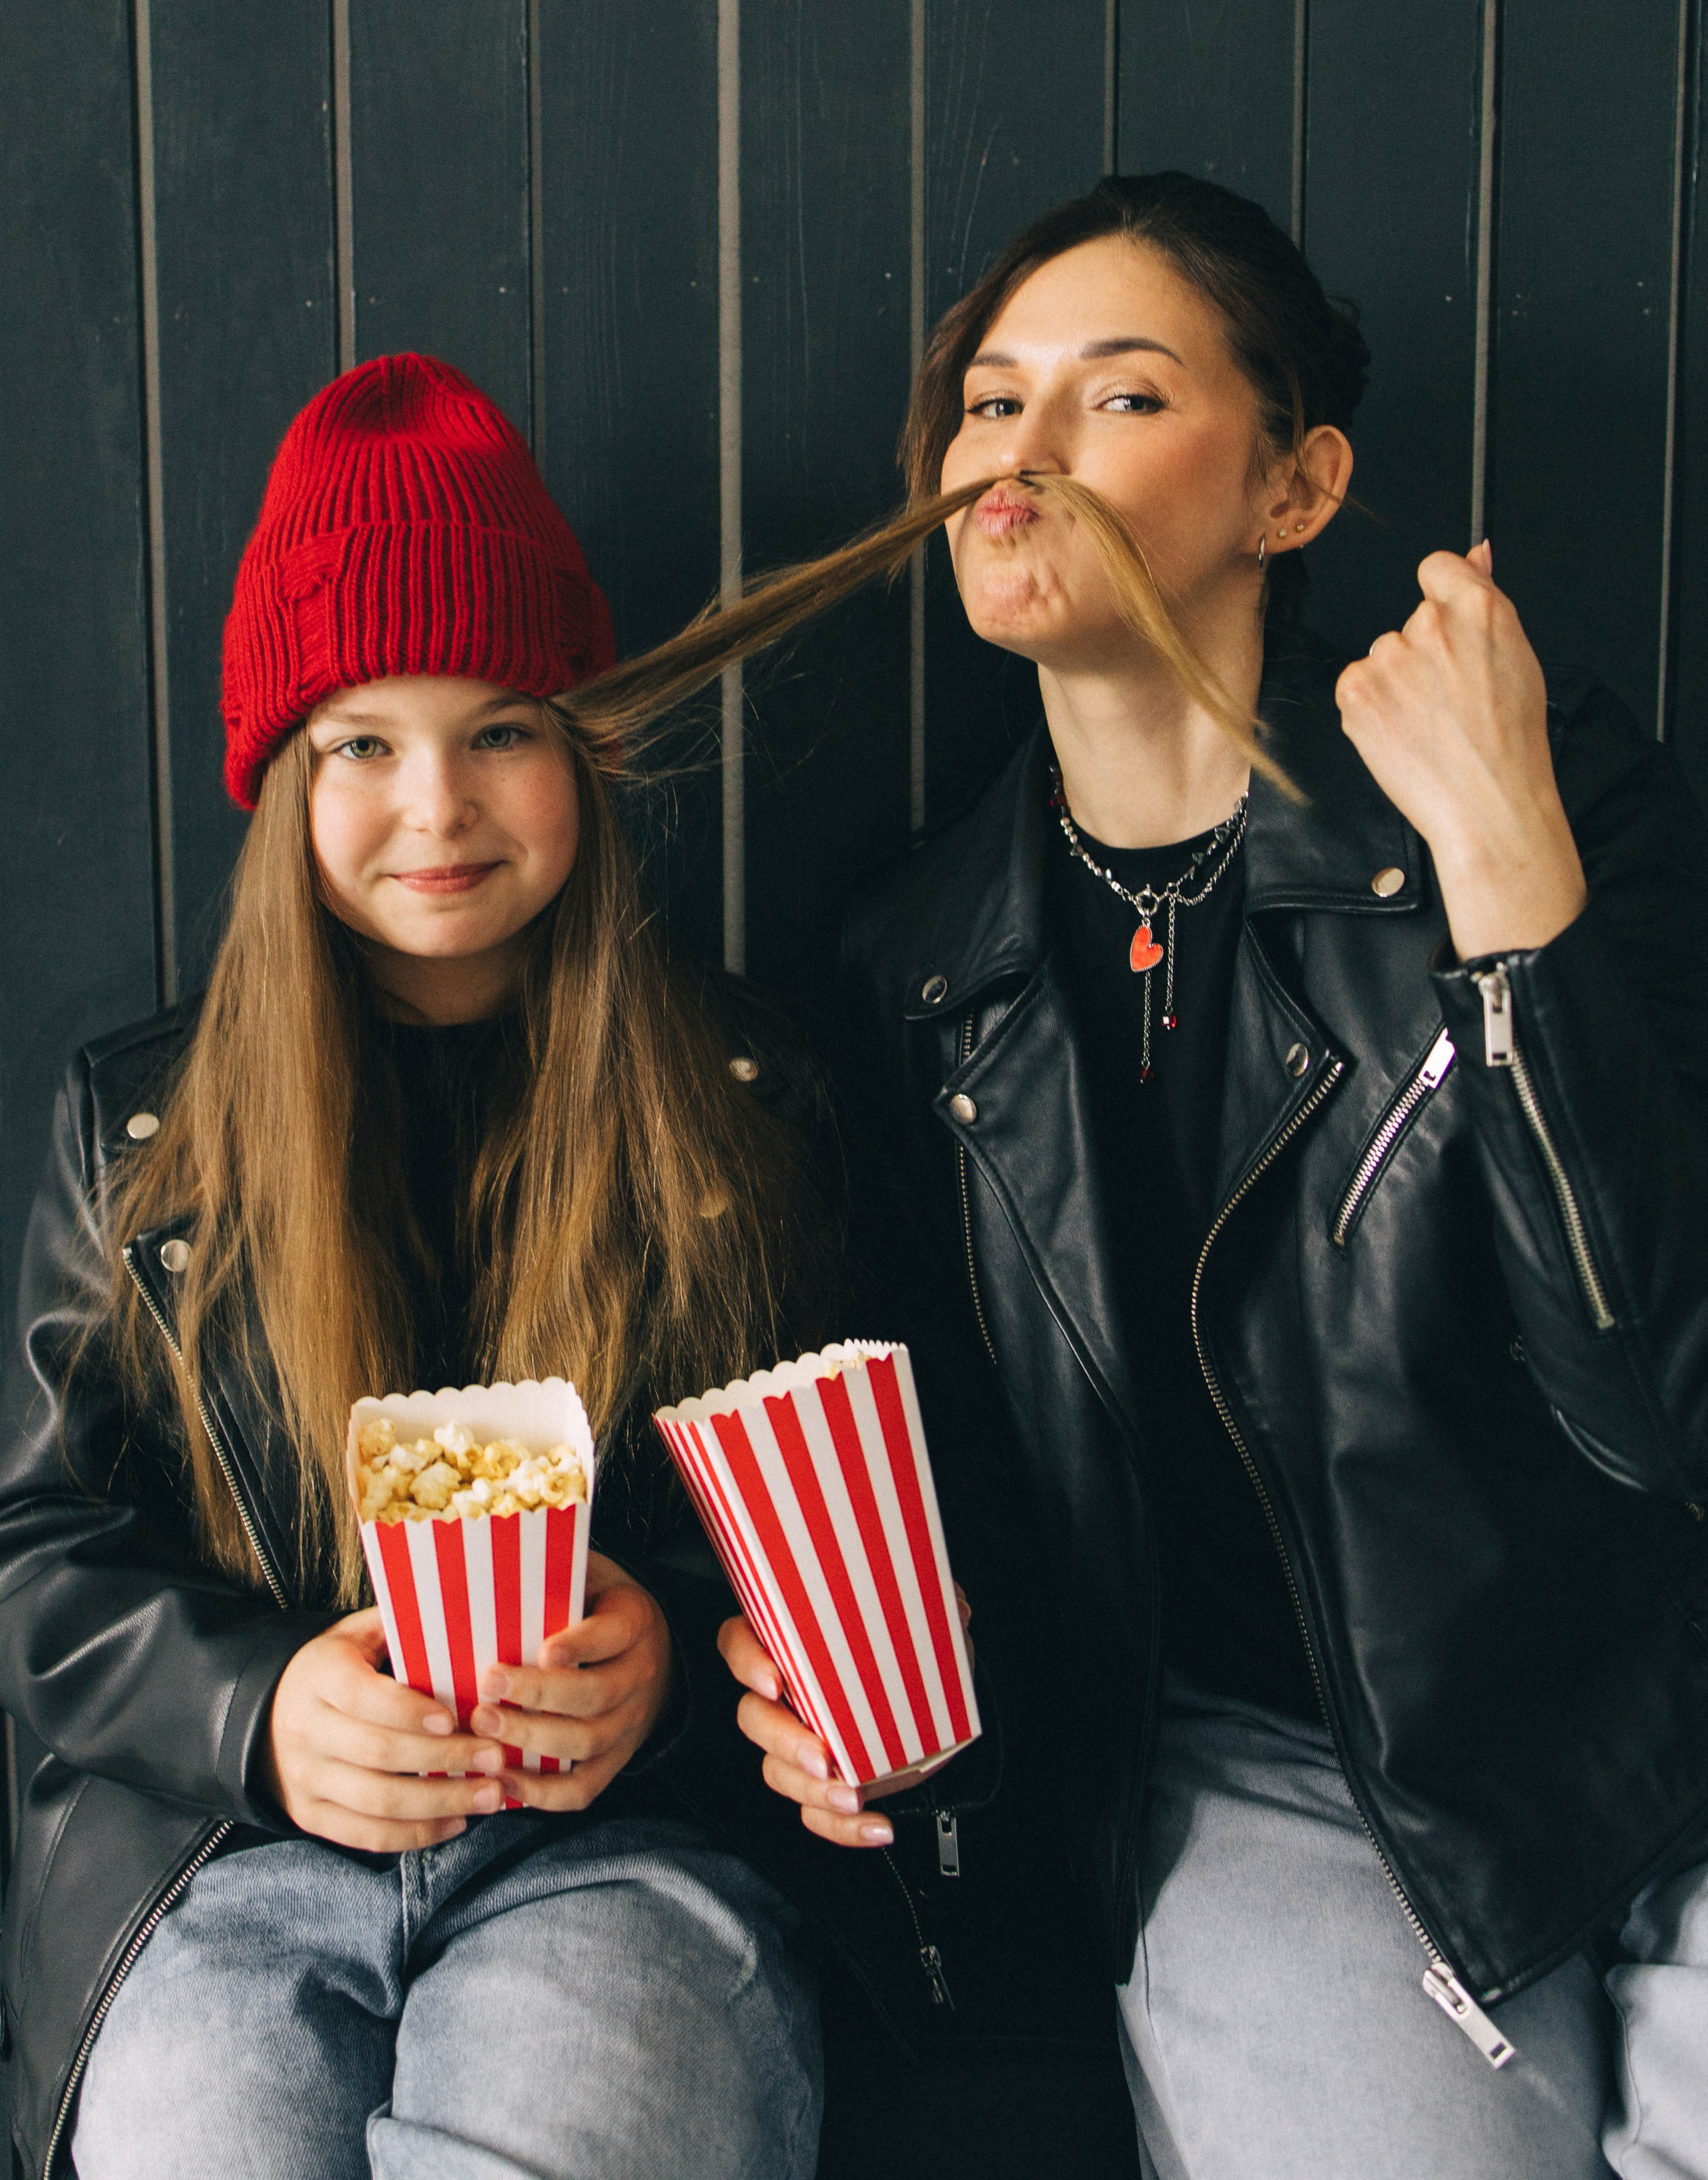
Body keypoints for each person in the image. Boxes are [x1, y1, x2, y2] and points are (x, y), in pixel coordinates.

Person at [721, 173, 1708, 2180]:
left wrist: (1505, 880)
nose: (1023, 454)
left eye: (1121, 395)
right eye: (989, 405)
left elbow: (1660, 1400)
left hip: (1658, 1712)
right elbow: (968, 1497)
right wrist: (838, 1682)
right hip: (1266, 1774)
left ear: (1296, 487)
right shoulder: (918, 974)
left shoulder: (1547, 789)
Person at [0, 352, 1065, 2180]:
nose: (438, 807)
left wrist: (675, 1663)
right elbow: (38, 1548)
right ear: (282, 780)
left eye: (501, 729)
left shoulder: (757, 1094)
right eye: (361, 744)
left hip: (629, 1854)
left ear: (587, 747)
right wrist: (256, 1711)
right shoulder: (144, 1126)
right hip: (233, 1862)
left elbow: (892, 1508)